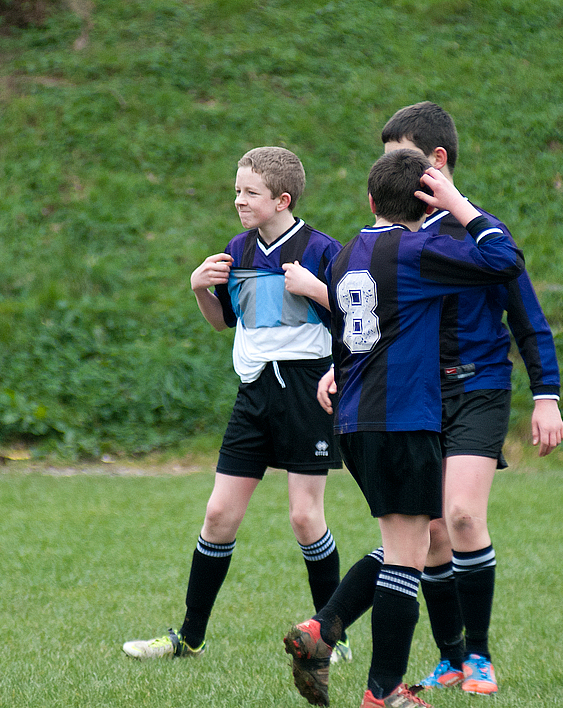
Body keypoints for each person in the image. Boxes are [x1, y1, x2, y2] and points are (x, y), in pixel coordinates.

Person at [282, 102, 563, 705]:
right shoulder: (412, 245)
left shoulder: (451, 234)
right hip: (410, 405)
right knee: (414, 542)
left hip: (468, 389)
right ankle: (408, 675)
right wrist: (338, 366)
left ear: (435, 163)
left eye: (401, 159)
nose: (394, 170)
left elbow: (525, 313)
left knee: (449, 521)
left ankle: (438, 651)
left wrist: (546, 394)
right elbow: (377, 318)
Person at [122, 146, 349, 661]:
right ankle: (190, 638)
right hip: (254, 392)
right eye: (237, 191)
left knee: (304, 517)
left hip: (309, 391)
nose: (239, 201)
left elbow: (354, 318)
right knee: (219, 513)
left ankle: (331, 636)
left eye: (250, 193)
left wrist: (316, 289)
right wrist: (199, 290)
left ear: (282, 200)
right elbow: (223, 321)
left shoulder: (323, 250)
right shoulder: (237, 250)